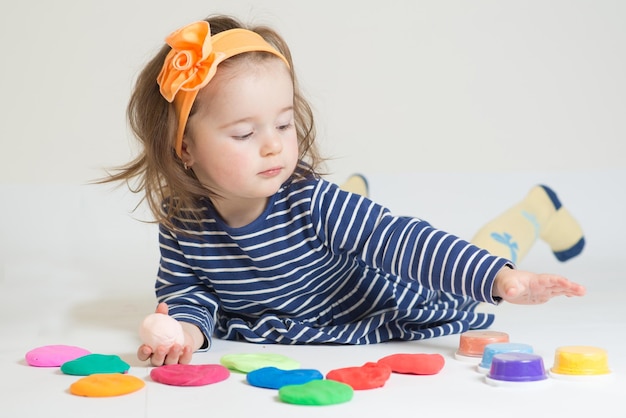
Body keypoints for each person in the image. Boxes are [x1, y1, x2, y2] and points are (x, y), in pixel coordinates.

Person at [102, 15, 586, 366]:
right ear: (184, 148)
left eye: (285, 124)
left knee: (488, 250)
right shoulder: (181, 217)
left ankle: (537, 208)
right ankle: (360, 194)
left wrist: (500, 280)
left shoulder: (312, 203)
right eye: (245, 134)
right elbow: (189, 291)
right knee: (343, 218)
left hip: (399, 289)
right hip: (310, 296)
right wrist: (182, 334)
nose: (273, 146)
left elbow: (402, 241)